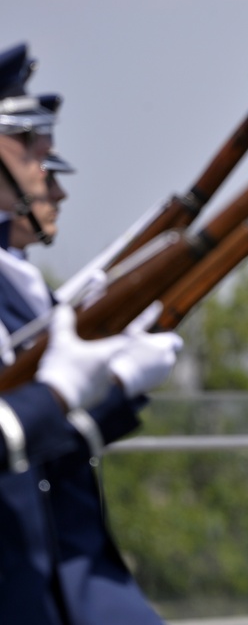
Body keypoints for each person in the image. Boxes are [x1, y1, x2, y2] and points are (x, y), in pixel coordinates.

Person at [0, 41, 183, 624]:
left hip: (59, 572)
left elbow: (46, 447)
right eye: (27, 144)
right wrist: (57, 393)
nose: (47, 163)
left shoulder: (17, 278)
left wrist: (113, 387)